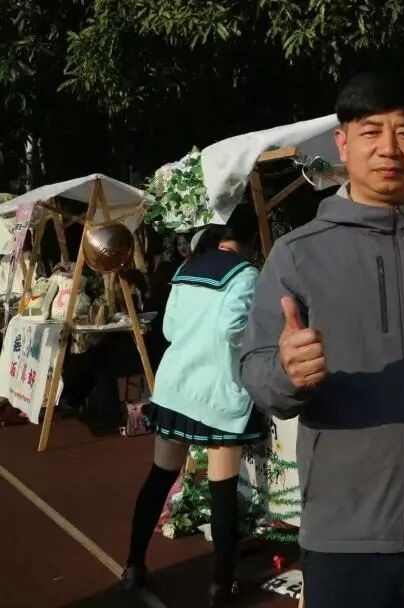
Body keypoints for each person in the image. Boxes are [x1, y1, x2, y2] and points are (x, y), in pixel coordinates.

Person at [239, 71, 404, 608]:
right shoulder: (299, 253)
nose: (389, 148)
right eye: (370, 132)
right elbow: (258, 373)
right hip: (346, 534)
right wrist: (287, 374)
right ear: (343, 144)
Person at [121, 223, 265, 606]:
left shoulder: (186, 269)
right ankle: (222, 584)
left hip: (175, 389)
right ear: (248, 244)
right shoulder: (247, 274)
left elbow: (168, 328)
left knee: (159, 477)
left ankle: (133, 564)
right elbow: (235, 329)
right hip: (218, 395)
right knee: (222, 490)